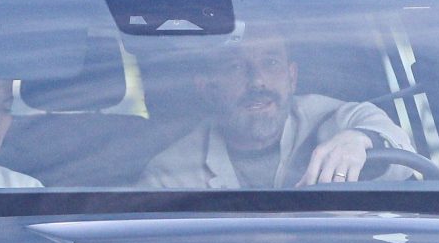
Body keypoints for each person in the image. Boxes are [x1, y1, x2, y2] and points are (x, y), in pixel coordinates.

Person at [140, 24, 414, 189]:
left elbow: (405, 159)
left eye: (270, 63)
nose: (257, 81)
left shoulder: (338, 119)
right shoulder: (169, 175)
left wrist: (359, 140)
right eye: (235, 67)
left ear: (292, 76)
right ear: (207, 86)